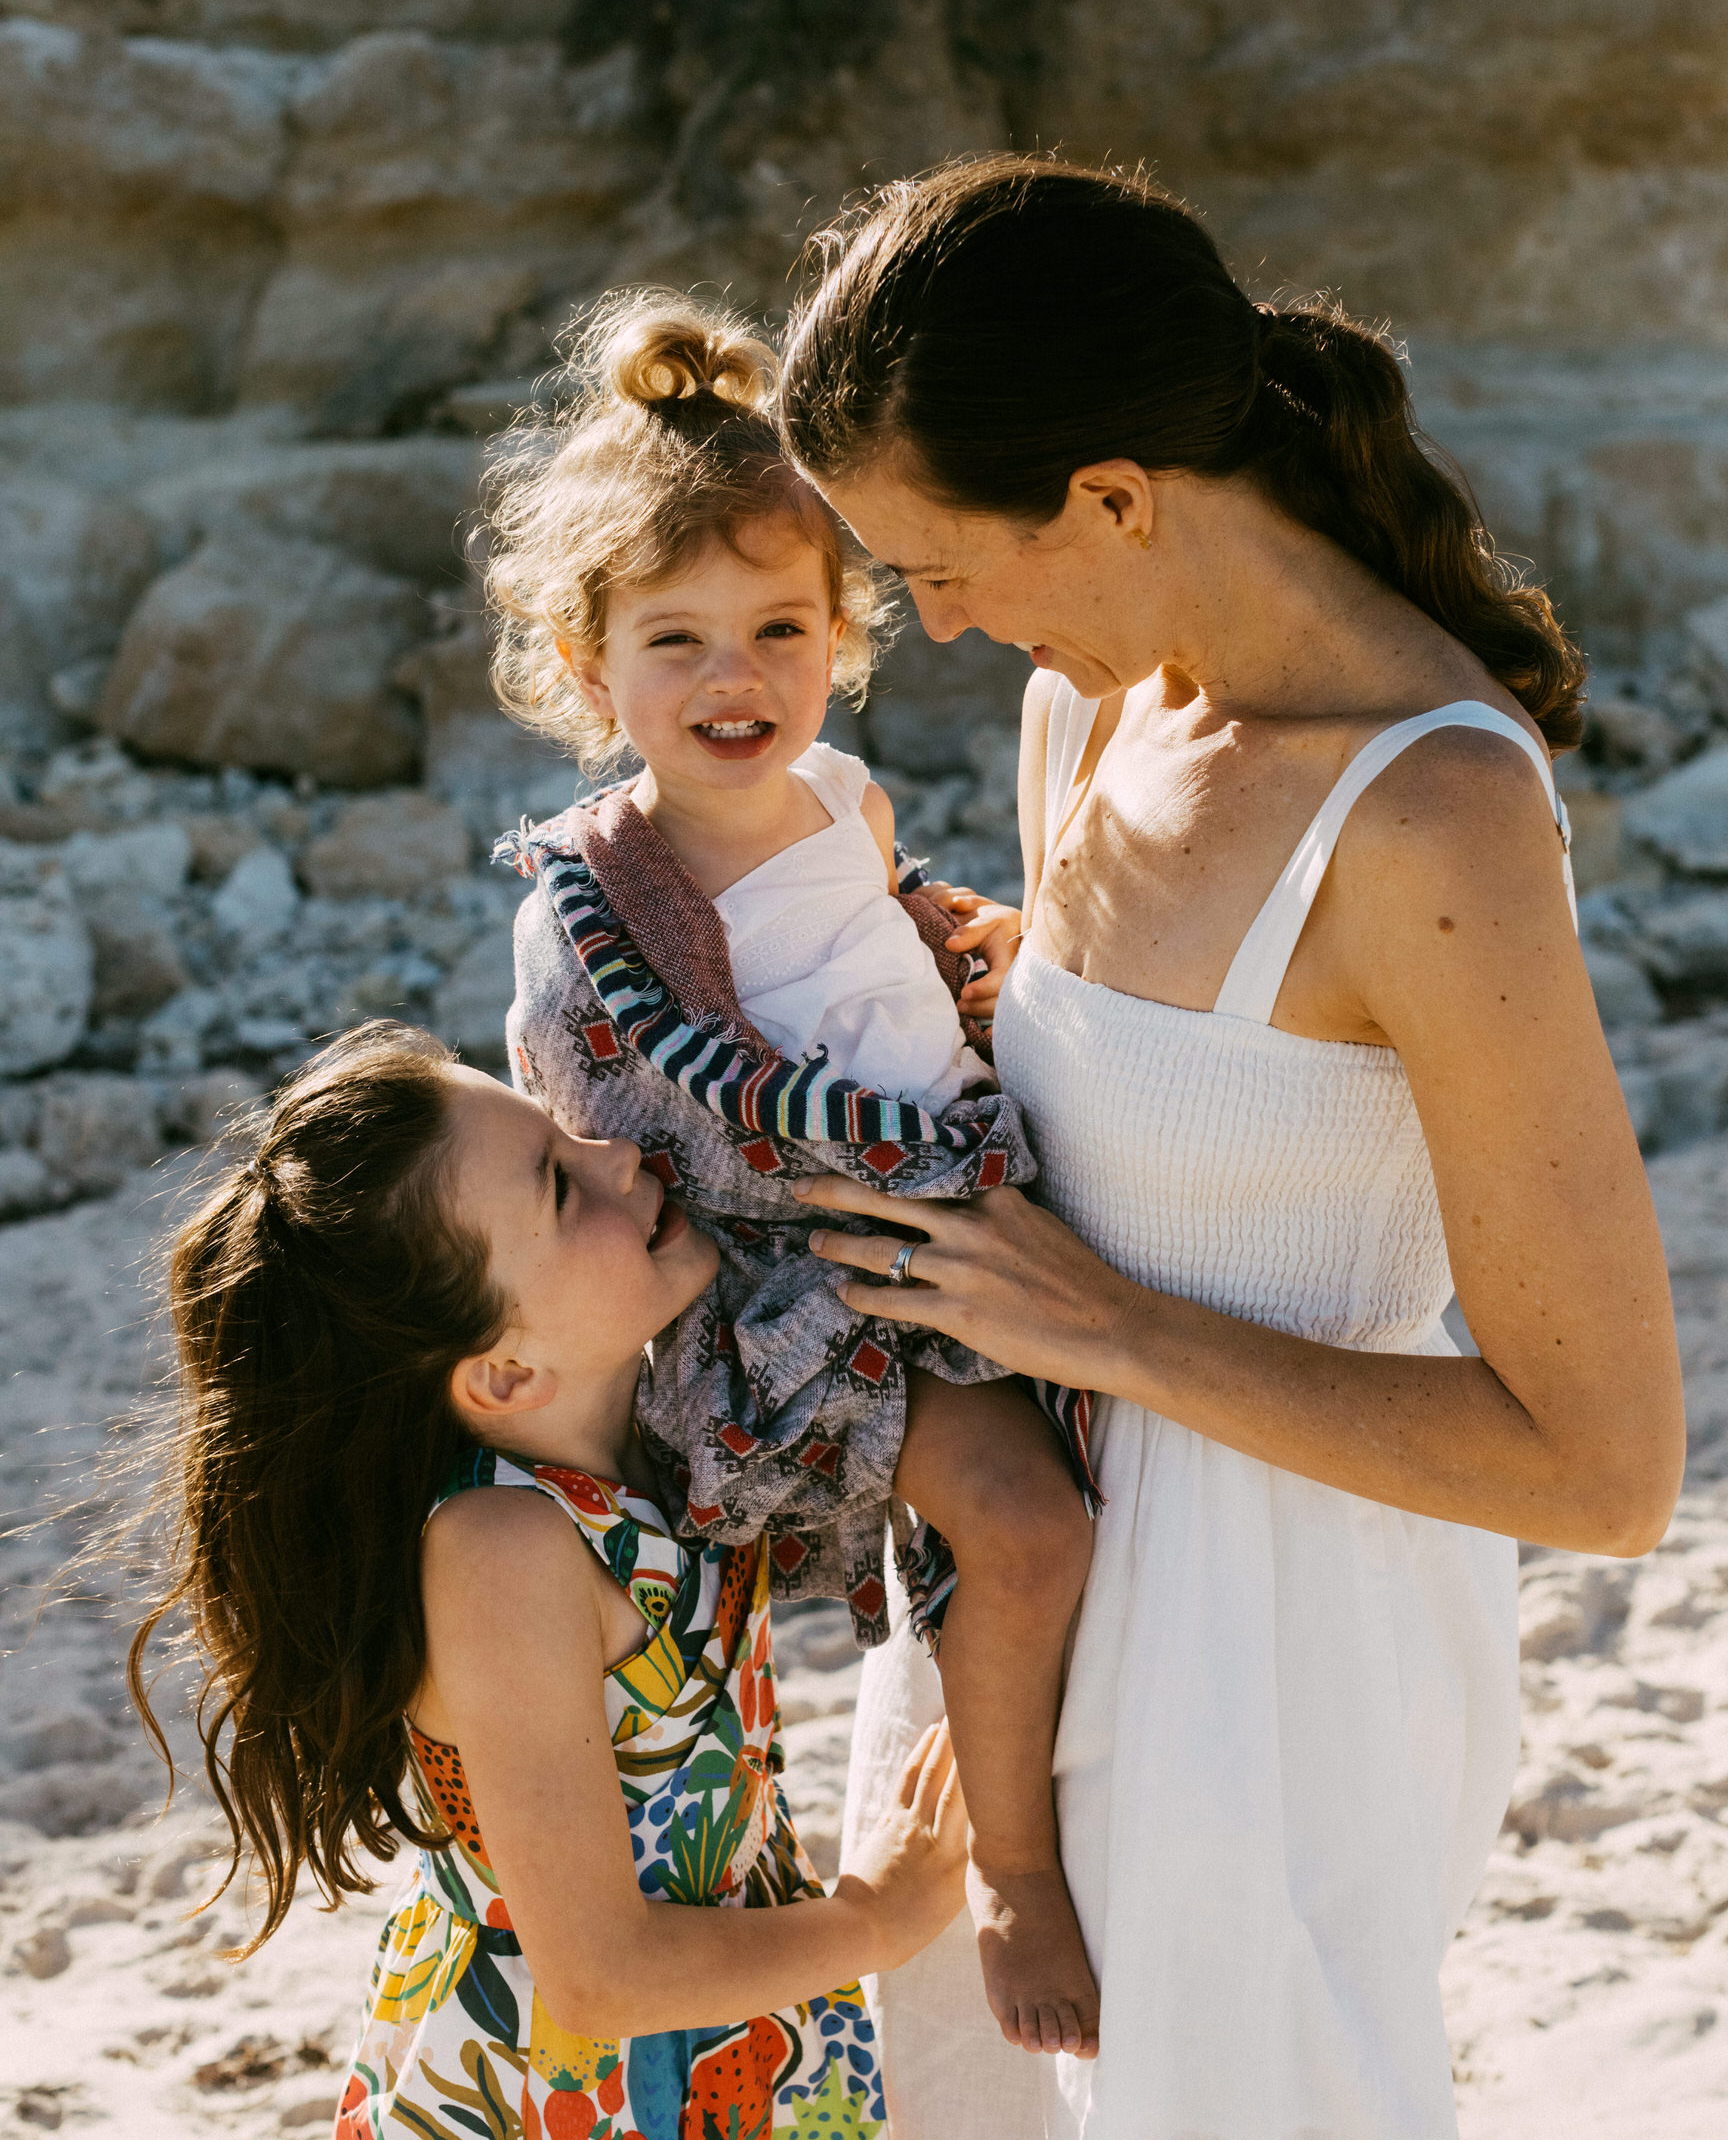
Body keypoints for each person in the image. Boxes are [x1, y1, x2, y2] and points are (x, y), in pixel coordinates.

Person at [774, 154, 1687, 2139]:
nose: (934, 630)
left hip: (1278, 1679)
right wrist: (996, 992)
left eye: (944, 566)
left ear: (1112, 495)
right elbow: (1173, 1105)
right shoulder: (1076, 720)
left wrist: (1124, 1333)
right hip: (1013, 1608)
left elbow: (1609, 1469)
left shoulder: (1432, 818)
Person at [482, 296, 1100, 2056]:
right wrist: (858, 1211)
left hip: (951, 1217)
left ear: (845, 629)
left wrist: (971, 947)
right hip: (804, 1303)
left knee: (1105, 1476)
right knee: (1025, 1522)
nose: (729, 677)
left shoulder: (841, 798)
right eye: (670, 640)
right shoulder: (594, 910)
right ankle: (1013, 1875)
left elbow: (880, 938)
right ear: (584, 659)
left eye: (778, 625)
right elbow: (613, 1141)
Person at [128, 1022, 968, 2140]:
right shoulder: (504, 1549)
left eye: (569, 1131)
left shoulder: (671, 1429)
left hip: (736, 2031)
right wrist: (879, 1917)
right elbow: (599, 1976)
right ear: (508, 1371)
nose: (619, 1155)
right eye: (562, 1188)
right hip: (574, 2087)